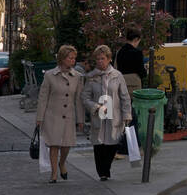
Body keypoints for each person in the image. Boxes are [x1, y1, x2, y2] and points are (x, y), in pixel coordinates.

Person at [35, 45, 85, 183]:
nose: (73, 61)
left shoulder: (77, 77)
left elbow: (79, 100)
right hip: (52, 115)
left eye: (74, 58)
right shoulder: (50, 75)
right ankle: (54, 173)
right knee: (54, 144)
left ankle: (62, 163)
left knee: (66, 145)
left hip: (69, 115)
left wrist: (80, 119)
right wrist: (40, 117)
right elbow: (43, 97)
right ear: (62, 59)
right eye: (70, 58)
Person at [83, 45, 132, 181]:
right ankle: (103, 172)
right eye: (98, 59)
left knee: (113, 142)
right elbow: (85, 97)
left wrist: (127, 114)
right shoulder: (91, 77)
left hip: (114, 114)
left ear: (109, 59)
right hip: (98, 114)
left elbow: (125, 96)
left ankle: (106, 167)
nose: (100, 62)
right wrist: (95, 106)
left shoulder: (117, 75)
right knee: (99, 144)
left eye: (103, 59)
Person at [115, 28, 146, 95]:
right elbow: (141, 71)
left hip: (121, 81)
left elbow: (116, 67)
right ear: (136, 39)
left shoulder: (119, 52)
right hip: (134, 83)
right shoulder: (137, 52)